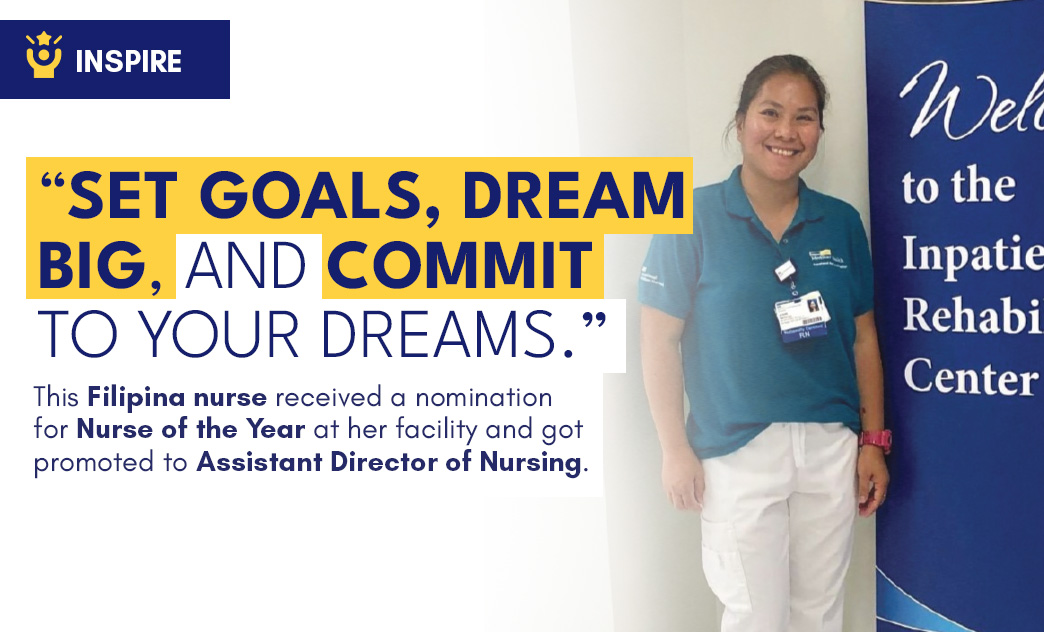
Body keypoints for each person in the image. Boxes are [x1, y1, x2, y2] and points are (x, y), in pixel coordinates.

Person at [638, 54, 890, 632]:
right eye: (770, 112)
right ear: (741, 119)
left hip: (830, 446)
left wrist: (873, 440)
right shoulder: (689, 216)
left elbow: (863, 338)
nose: (786, 131)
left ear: (820, 132)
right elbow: (659, 339)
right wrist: (673, 448)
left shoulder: (841, 222)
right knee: (754, 612)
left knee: (819, 612)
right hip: (736, 449)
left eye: (804, 118)